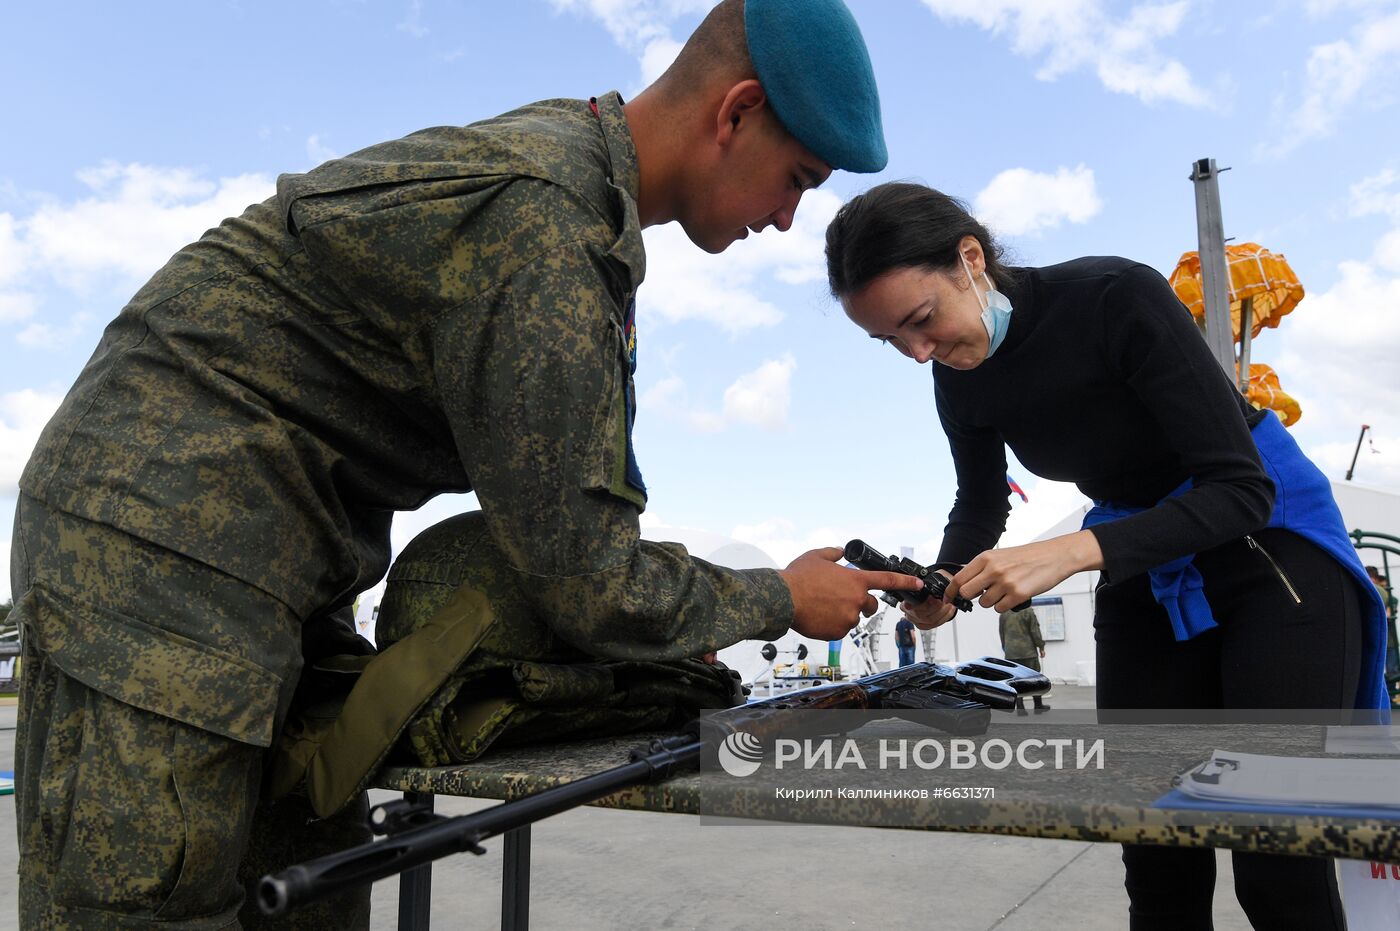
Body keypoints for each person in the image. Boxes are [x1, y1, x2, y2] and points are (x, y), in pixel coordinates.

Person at [8, 3, 920, 927]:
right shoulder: (544, 228)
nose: (790, 217)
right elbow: (583, 575)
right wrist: (780, 596)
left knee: (306, 890)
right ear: (736, 112)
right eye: (798, 179)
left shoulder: (574, 199)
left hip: (266, 561)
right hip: (155, 548)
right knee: (145, 903)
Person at [825, 181, 1388, 931]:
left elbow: (1239, 486)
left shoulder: (1116, 296)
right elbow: (981, 502)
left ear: (969, 259)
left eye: (921, 320)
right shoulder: (957, 379)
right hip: (1137, 556)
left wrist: (1075, 548)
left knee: (1276, 861)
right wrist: (942, 584)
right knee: (1154, 853)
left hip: (1266, 543)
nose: (917, 352)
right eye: (889, 339)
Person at [997, 603, 1047, 714]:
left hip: (1011, 653)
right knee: (1035, 680)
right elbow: (1035, 631)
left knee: (1016, 680)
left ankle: (1020, 708)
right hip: (1028, 652)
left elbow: (1001, 632)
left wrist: (1005, 648)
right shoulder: (1028, 611)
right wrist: (1041, 646)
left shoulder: (1004, 613)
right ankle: (1038, 706)